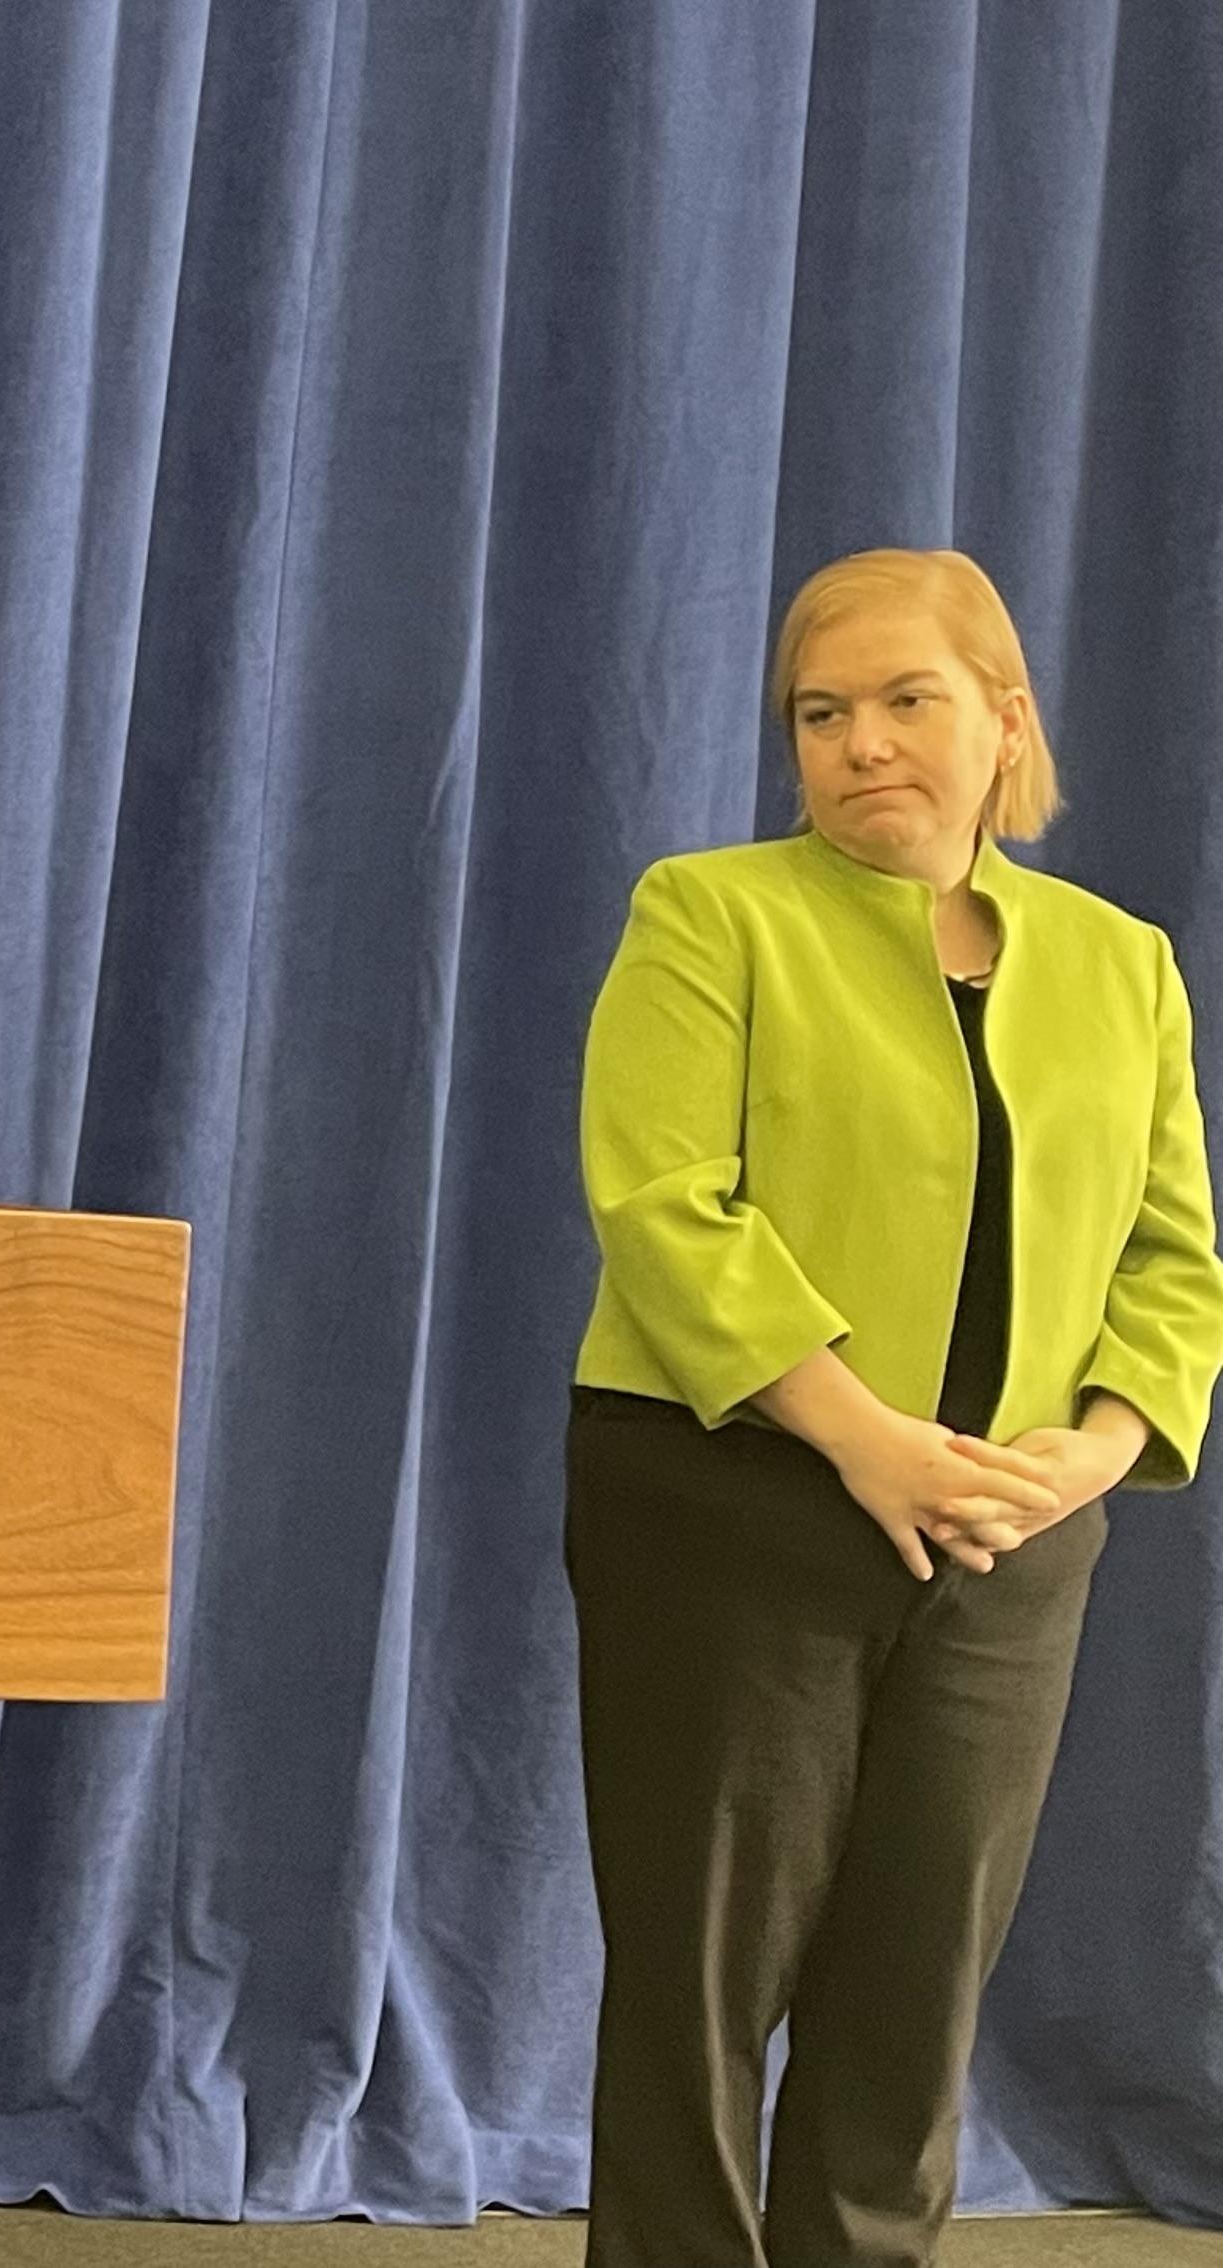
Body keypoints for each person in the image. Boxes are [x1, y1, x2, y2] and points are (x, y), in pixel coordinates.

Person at [568, 546, 1223, 2267]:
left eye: (905, 700)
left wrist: (1068, 1464)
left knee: (915, 1979)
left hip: (1013, 1536)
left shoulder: (1121, 964)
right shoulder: (708, 913)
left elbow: (1174, 1265)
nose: (861, 743)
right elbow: (661, 1206)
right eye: (819, 712)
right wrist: (868, 1439)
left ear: (1003, 717)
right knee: (701, 1983)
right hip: (729, 1497)